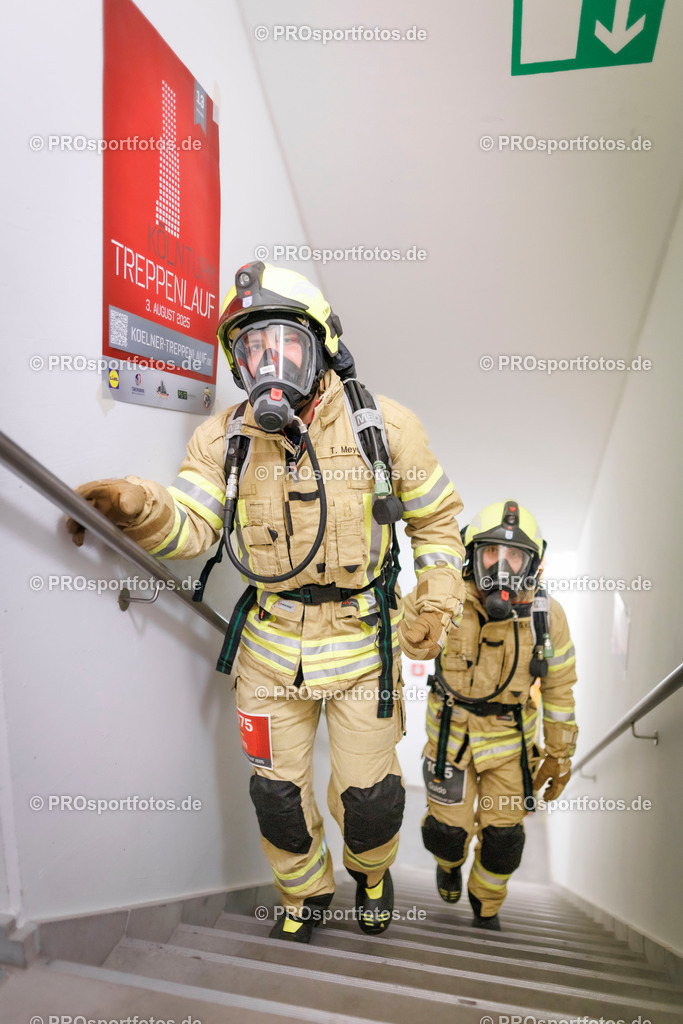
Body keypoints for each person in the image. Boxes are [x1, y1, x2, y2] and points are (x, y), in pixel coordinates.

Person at [66, 262, 466, 943]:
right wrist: (137, 504)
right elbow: (191, 524)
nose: (268, 364)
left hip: (362, 644)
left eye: (284, 344)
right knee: (275, 796)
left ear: (322, 347)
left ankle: (369, 875)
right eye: (250, 350)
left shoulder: (384, 428)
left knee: (370, 801)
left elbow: (435, 524)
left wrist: (435, 606)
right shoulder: (225, 440)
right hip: (270, 647)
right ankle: (304, 892)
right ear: (236, 362)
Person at [407, 500, 578, 930]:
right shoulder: (444, 597)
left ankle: (486, 904)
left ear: (532, 564)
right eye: (490, 553)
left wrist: (560, 754)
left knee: (504, 840)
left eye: (515, 556)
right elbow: (397, 630)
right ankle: (448, 865)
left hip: (510, 747)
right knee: (448, 833)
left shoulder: (547, 617)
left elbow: (559, 688)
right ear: (472, 553)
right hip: (451, 741)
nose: (501, 566)